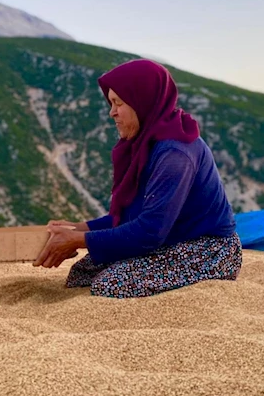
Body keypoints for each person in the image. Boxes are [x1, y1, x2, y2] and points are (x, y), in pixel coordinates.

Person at [32, 59, 242, 298]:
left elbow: (150, 232)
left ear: (142, 103)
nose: (112, 112)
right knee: (81, 274)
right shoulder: (146, 144)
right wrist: (73, 229)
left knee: (109, 285)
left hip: (207, 249)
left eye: (118, 103)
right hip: (170, 240)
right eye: (111, 103)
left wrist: (77, 240)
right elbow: (128, 216)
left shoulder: (175, 154)